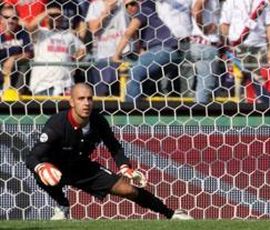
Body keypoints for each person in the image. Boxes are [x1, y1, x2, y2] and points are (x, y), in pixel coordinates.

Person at [26, 83, 193, 220]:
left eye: (90, 99)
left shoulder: (98, 121)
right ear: (71, 102)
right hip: (56, 167)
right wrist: (41, 167)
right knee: (42, 174)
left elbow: (114, 146)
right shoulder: (57, 124)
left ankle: (171, 214)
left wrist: (125, 167)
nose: (86, 103)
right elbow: (33, 156)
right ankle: (62, 205)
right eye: (81, 99)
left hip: (82, 168)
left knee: (128, 190)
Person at [112, 0, 182, 103]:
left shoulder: (144, 11)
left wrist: (116, 55)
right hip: (171, 54)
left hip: (163, 50)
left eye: (133, 3)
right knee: (144, 81)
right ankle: (143, 110)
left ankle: (130, 110)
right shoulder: (145, 27)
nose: (130, 7)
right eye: (127, 5)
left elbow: (128, 34)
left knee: (135, 73)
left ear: (139, 3)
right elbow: (140, 49)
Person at [220, 0, 270, 102]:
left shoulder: (264, 2)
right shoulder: (230, 2)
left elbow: (269, 25)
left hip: (259, 47)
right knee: (238, 80)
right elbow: (224, 24)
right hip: (237, 47)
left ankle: (263, 108)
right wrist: (227, 46)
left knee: (260, 80)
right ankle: (237, 109)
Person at [25, 5, 86, 96]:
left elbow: (82, 49)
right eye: (53, 15)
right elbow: (30, 27)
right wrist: (47, 12)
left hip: (66, 86)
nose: (56, 18)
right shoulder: (41, 32)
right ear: (46, 17)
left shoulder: (68, 35)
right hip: (43, 85)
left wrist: (80, 54)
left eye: (59, 15)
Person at [0, 5, 32, 93]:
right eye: (6, 17)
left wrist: (13, 58)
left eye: (14, 18)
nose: (10, 21)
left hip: (17, 75)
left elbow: (29, 54)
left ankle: (17, 93)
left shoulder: (23, 33)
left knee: (24, 63)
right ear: (1, 19)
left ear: (18, 20)